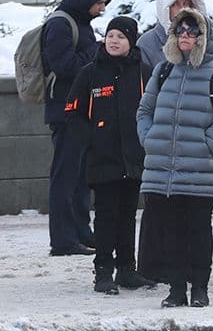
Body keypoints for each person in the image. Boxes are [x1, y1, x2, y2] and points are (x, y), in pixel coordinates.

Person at [137, 9, 213, 308]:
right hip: (163, 170)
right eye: (180, 31)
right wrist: (150, 139)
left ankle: (200, 288)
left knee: (197, 230)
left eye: (192, 32)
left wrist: (205, 146)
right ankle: (176, 289)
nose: (185, 36)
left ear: (203, 38)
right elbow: (145, 111)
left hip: (201, 171)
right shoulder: (163, 71)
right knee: (170, 232)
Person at [66, 16, 151, 294]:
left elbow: (154, 110)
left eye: (121, 37)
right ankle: (103, 271)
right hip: (102, 160)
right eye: (110, 35)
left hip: (134, 159)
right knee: (105, 216)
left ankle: (127, 269)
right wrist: (91, 141)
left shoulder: (144, 72)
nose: (114, 41)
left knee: (127, 215)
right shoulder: (90, 72)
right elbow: (74, 112)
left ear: (131, 41)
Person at [42, 0, 114, 257]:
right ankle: (63, 239)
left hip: (81, 111)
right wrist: (96, 52)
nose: (102, 8)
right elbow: (64, 65)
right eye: (99, 2)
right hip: (65, 112)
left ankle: (81, 232)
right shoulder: (61, 23)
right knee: (65, 175)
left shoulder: (81, 23)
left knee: (82, 176)